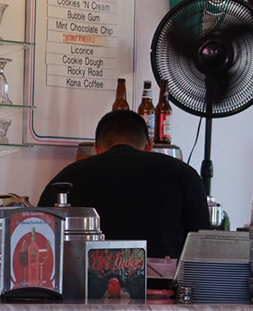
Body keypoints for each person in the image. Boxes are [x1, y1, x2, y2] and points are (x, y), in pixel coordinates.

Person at [37, 109, 211, 259]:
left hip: (83, 287)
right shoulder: (183, 174)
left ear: (97, 147)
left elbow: (41, 235)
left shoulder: (67, 177)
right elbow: (203, 243)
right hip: (164, 290)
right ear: (149, 145)